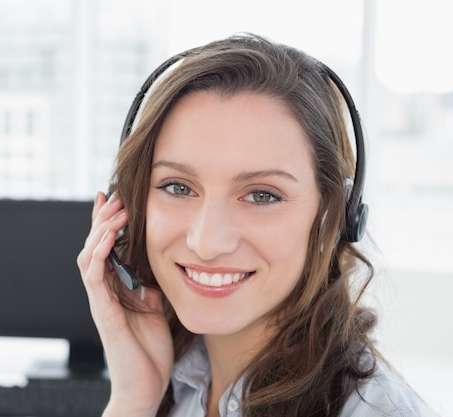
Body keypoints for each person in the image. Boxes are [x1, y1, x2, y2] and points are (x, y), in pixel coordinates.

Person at [77, 33, 439, 417]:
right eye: (178, 187)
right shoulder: (169, 385)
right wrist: (134, 401)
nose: (206, 242)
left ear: (333, 215)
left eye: (262, 195)